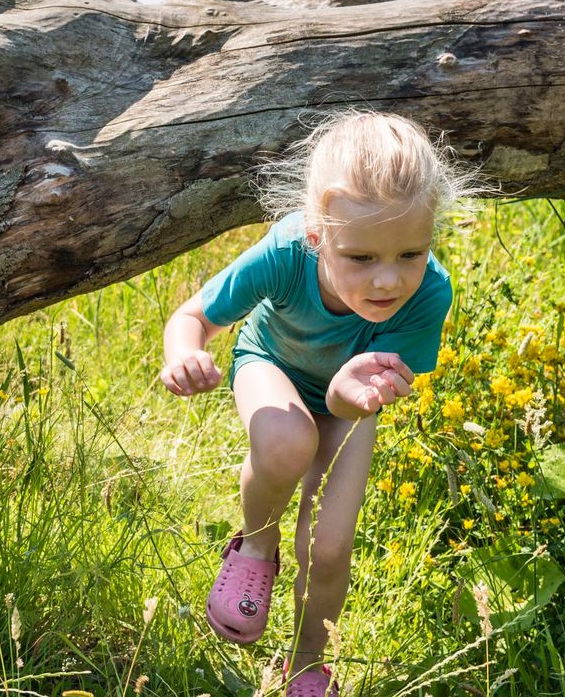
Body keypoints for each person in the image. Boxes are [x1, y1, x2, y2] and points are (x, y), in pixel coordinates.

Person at [157, 109, 478, 697]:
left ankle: (307, 664)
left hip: (351, 402)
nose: (388, 281)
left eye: (410, 253)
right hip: (272, 365)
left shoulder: (428, 292)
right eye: (361, 258)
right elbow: (193, 318)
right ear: (316, 234)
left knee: (329, 546)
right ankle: (256, 544)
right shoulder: (285, 252)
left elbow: (353, 399)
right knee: (287, 441)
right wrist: (183, 354)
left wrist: (348, 394)